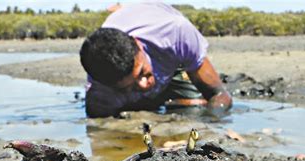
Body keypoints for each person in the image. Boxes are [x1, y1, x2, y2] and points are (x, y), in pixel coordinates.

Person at [79, 2, 232, 118]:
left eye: (142, 73)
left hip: (170, 55)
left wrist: (211, 123)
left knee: (195, 107)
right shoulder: (100, 83)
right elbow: (98, 125)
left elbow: (219, 95)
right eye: (128, 87)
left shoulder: (176, 33)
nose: (144, 85)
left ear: (138, 44)